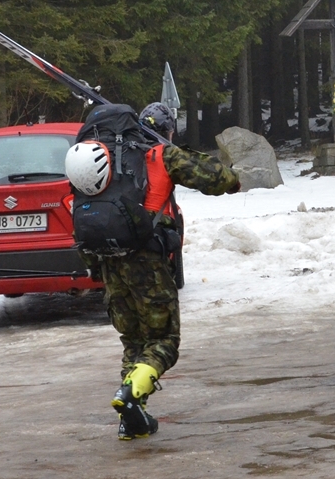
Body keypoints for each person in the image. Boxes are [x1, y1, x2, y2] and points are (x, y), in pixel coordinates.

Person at [87, 102, 241, 440]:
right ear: (167, 130)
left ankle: (132, 420)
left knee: (134, 343)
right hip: (148, 261)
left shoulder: (106, 160)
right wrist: (232, 179)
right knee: (164, 342)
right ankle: (129, 397)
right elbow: (217, 179)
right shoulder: (160, 156)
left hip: (110, 261)